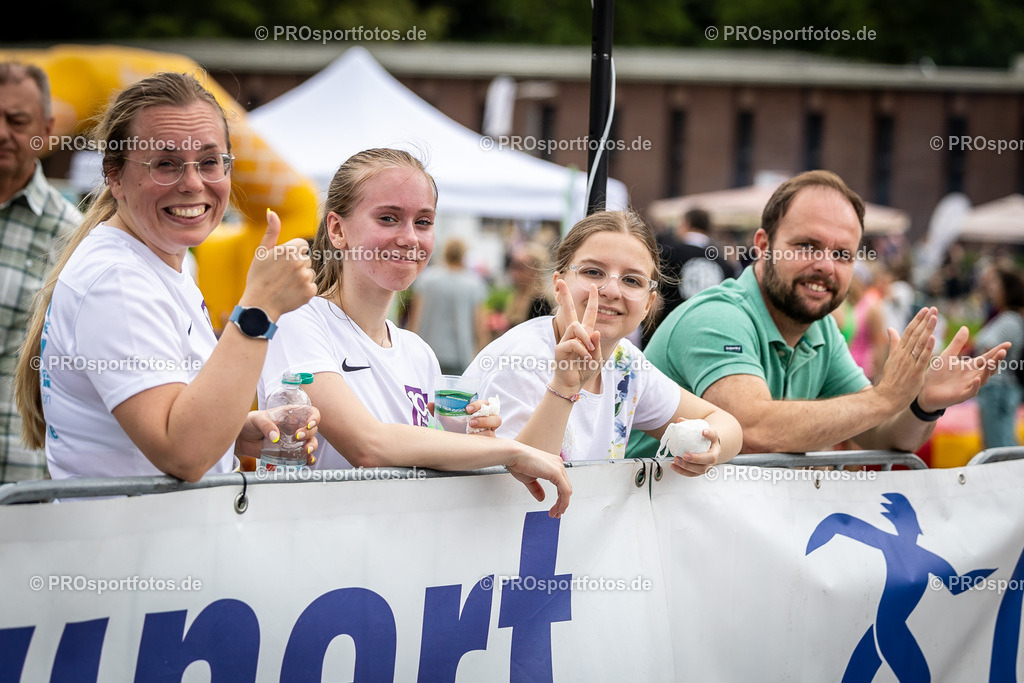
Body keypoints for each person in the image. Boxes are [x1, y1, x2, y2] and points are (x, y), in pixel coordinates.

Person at [14, 71, 319, 482]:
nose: (193, 183)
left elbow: (171, 419)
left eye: (210, 162)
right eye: (165, 164)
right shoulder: (117, 281)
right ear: (115, 175)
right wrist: (260, 307)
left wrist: (235, 433)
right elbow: (182, 453)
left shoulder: (159, 262)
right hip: (124, 541)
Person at [258, 148, 571, 517]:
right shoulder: (299, 320)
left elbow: (422, 462)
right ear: (337, 229)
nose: (409, 238)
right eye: (388, 218)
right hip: (311, 550)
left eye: (423, 222)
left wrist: (472, 436)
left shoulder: (418, 352)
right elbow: (368, 446)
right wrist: (512, 450)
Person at [627, 170, 1008, 457]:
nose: (826, 265)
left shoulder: (820, 329)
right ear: (763, 245)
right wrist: (884, 398)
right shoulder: (717, 316)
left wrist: (924, 405)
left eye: (842, 254)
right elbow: (752, 428)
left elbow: (884, 436)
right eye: (807, 245)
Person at [463, 210, 742, 475]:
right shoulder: (522, 358)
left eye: (632, 280)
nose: (610, 290)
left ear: (648, 304)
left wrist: (711, 444)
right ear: (559, 285)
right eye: (593, 272)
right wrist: (564, 388)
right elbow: (522, 487)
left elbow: (726, 424)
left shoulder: (625, 363)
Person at [0, 62, 83, 482]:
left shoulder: (68, 233)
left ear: (47, 130)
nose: (1, 132)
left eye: (16, 121)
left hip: (21, 475)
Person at [644, 207, 735, 347]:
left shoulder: (667, 253)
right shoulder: (724, 264)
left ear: (686, 223)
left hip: (668, 333)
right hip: (708, 336)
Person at [406, 237, 488, 375]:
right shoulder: (474, 284)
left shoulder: (427, 279)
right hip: (460, 355)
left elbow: (414, 318)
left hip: (427, 351)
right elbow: (479, 325)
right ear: (464, 255)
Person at [974, 262, 1024, 448]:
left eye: (995, 284)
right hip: (1001, 389)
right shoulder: (1010, 317)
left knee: (999, 448)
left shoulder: (1008, 320)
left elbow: (987, 352)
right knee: (1001, 443)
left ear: (1007, 289)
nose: (990, 288)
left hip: (997, 389)